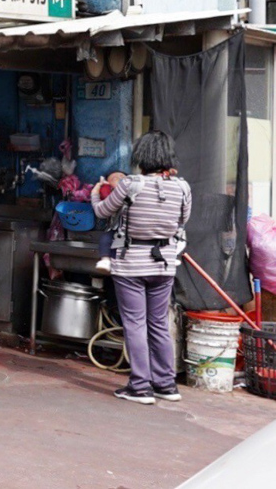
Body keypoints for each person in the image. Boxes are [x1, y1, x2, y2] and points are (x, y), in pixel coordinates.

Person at [92, 131, 191, 405]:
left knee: (135, 323)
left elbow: (102, 212)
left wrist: (93, 194)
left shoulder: (130, 185)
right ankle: (166, 385)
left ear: (141, 157)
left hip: (131, 264)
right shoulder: (182, 187)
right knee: (158, 323)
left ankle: (140, 387)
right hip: (164, 264)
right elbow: (183, 220)